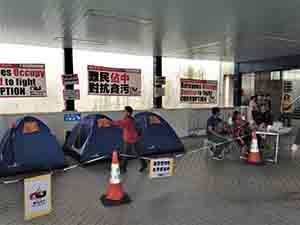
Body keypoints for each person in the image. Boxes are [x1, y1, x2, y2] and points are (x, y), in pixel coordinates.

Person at [110, 106, 147, 173]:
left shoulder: (128, 120)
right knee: (133, 153)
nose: (123, 112)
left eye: (124, 111)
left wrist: (109, 122)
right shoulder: (131, 119)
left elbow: (119, 123)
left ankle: (124, 167)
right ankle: (124, 167)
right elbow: (122, 124)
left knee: (128, 153)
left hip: (130, 139)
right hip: (133, 138)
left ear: (128, 112)